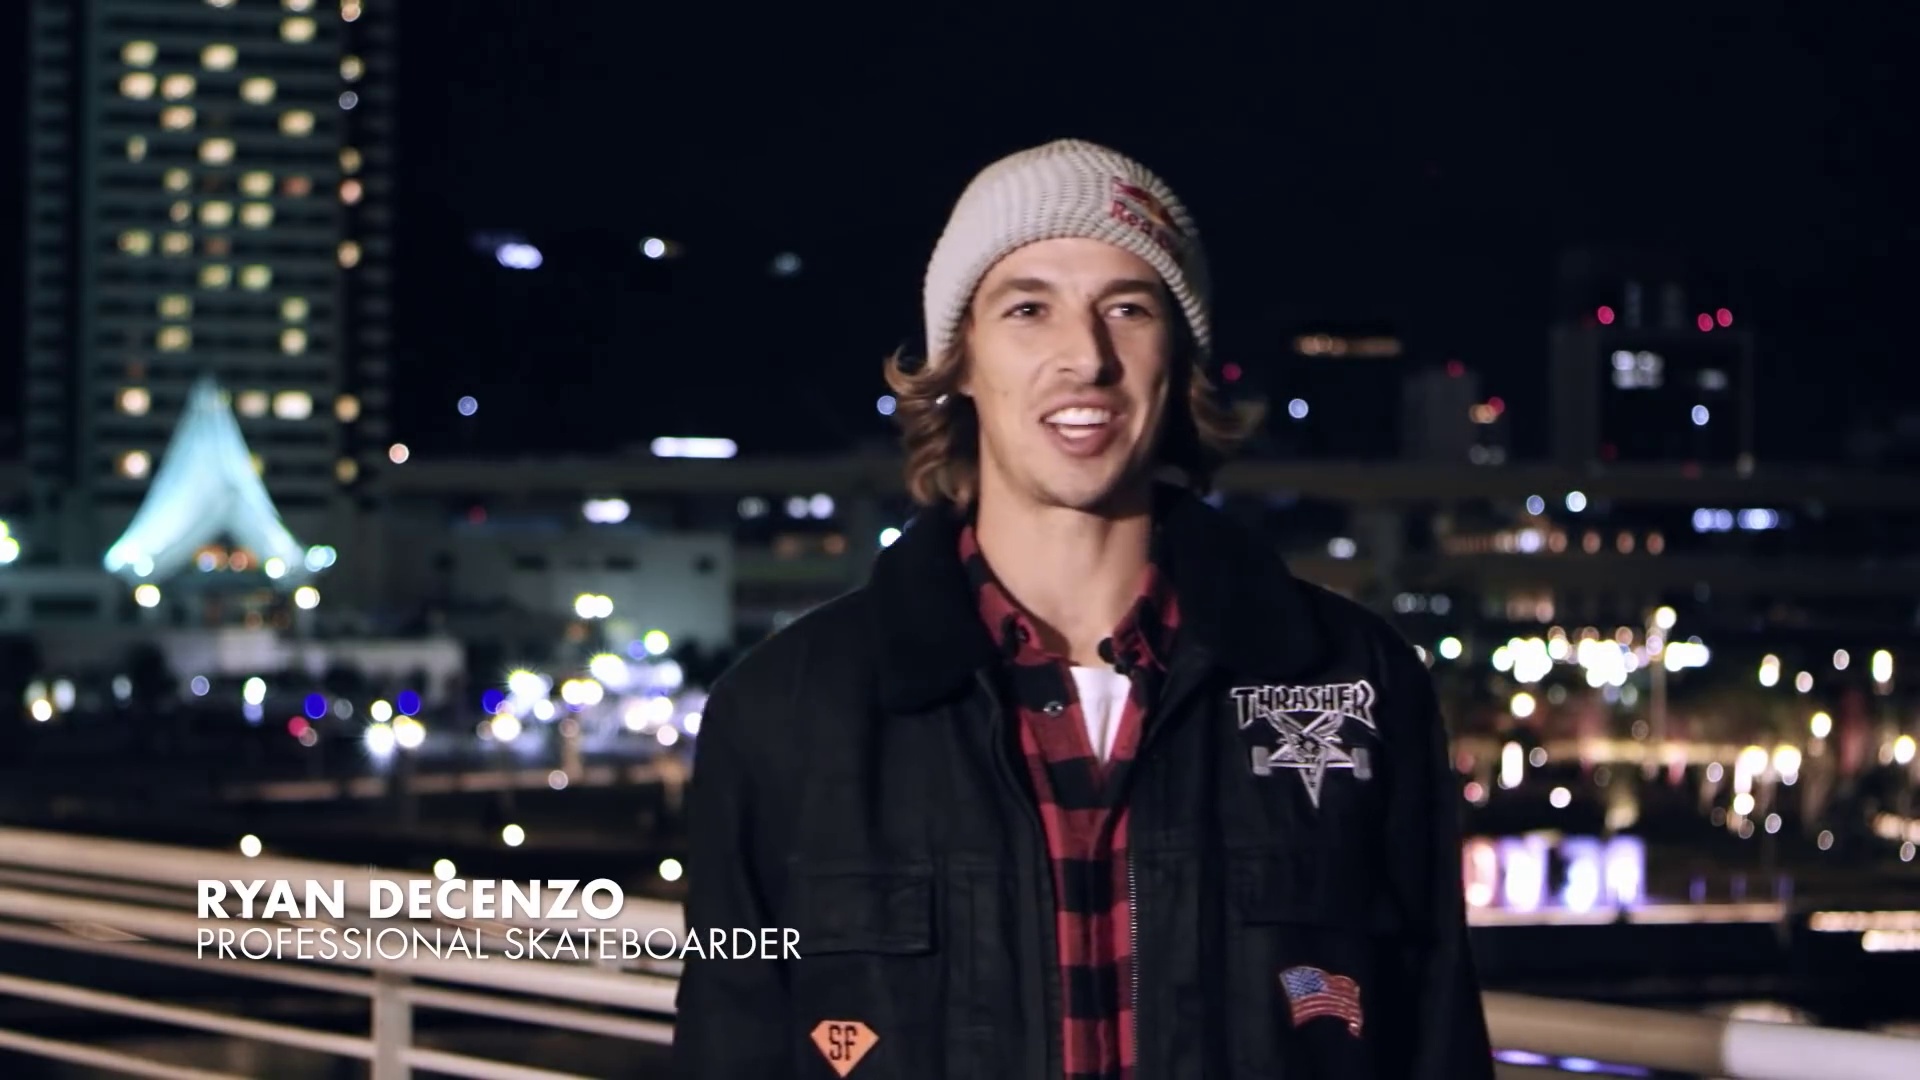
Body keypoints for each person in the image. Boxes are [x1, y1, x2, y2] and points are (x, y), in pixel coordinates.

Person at [672, 138, 1494, 1079]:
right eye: (1029, 309)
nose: (1086, 357)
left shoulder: (1354, 678)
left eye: (1128, 309)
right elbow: (729, 1043)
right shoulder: (783, 711)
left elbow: (1436, 1040)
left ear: (1177, 357)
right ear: (960, 360)